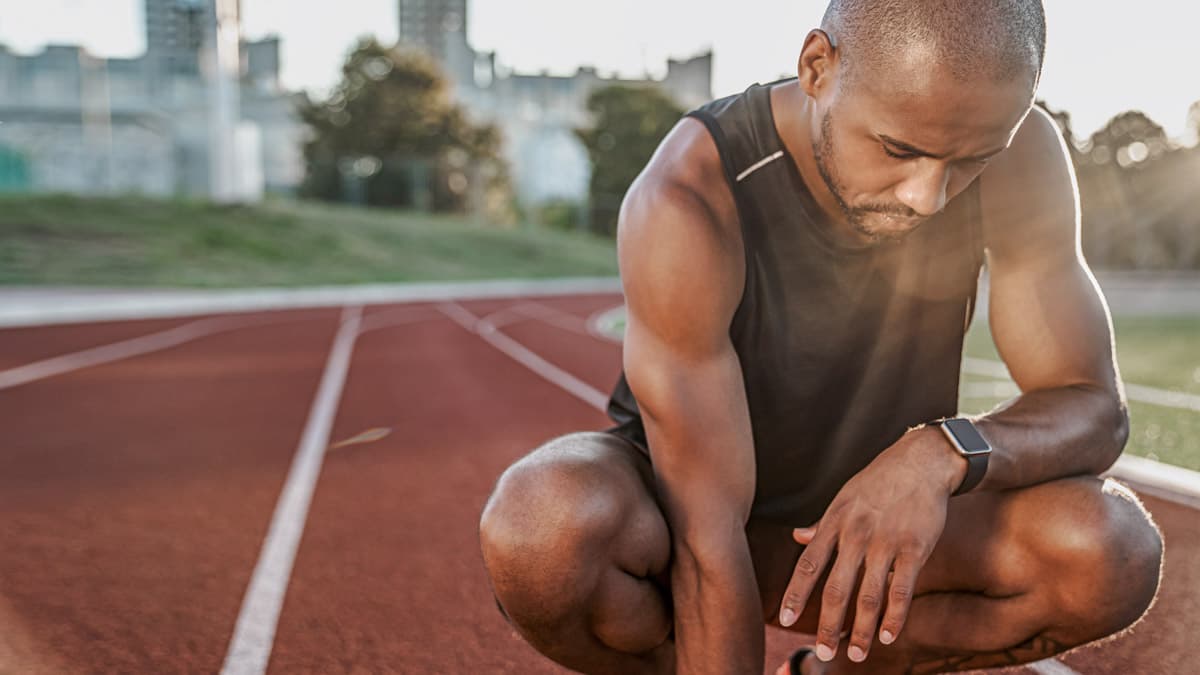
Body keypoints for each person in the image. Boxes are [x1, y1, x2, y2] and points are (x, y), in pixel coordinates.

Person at [478, 0, 1164, 672]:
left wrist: (941, 453)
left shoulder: (1021, 159)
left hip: (879, 530)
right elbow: (706, 537)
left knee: (1109, 550)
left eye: (972, 159)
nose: (928, 196)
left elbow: (1093, 408)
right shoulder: (691, 196)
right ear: (817, 66)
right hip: (685, 525)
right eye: (899, 149)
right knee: (544, 530)